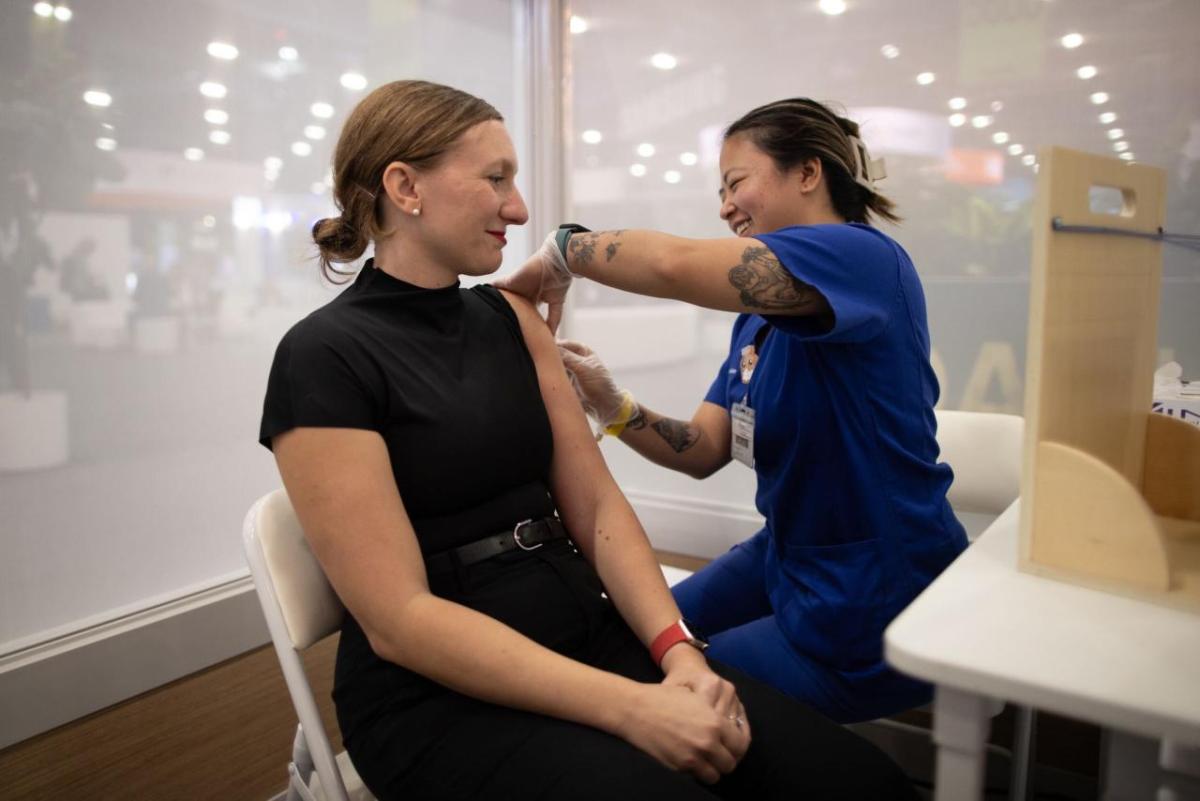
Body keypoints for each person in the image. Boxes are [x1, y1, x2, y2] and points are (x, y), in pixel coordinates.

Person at [259, 81, 916, 801]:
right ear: (404, 186)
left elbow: (598, 506)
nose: (519, 207)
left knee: (865, 784)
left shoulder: (512, 319)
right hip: (439, 693)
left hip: (586, 629)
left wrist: (679, 655)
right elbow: (399, 620)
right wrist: (637, 703)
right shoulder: (324, 353)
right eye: (496, 179)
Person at [496, 97, 968, 724]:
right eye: (720, 190)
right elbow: (703, 449)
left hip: (874, 588)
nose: (725, 206)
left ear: (807, 172)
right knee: (635, 628)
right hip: (788, 555)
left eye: (736, 182)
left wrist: (562, 252)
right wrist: (611, 405)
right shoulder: (759, 318)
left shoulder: (863, 258)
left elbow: (672, 265)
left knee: (675, 686)